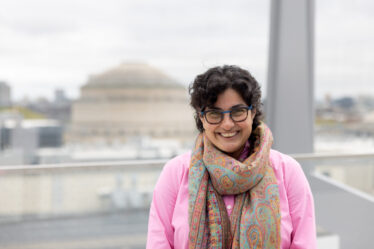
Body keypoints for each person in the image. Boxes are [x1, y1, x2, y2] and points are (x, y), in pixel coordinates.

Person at [146, 65, 316, 249]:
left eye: (237, 112)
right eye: (214, 114)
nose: (227, 124)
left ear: (252, 113)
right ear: (201, 118)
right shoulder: (176, 173)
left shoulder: (286, 171)